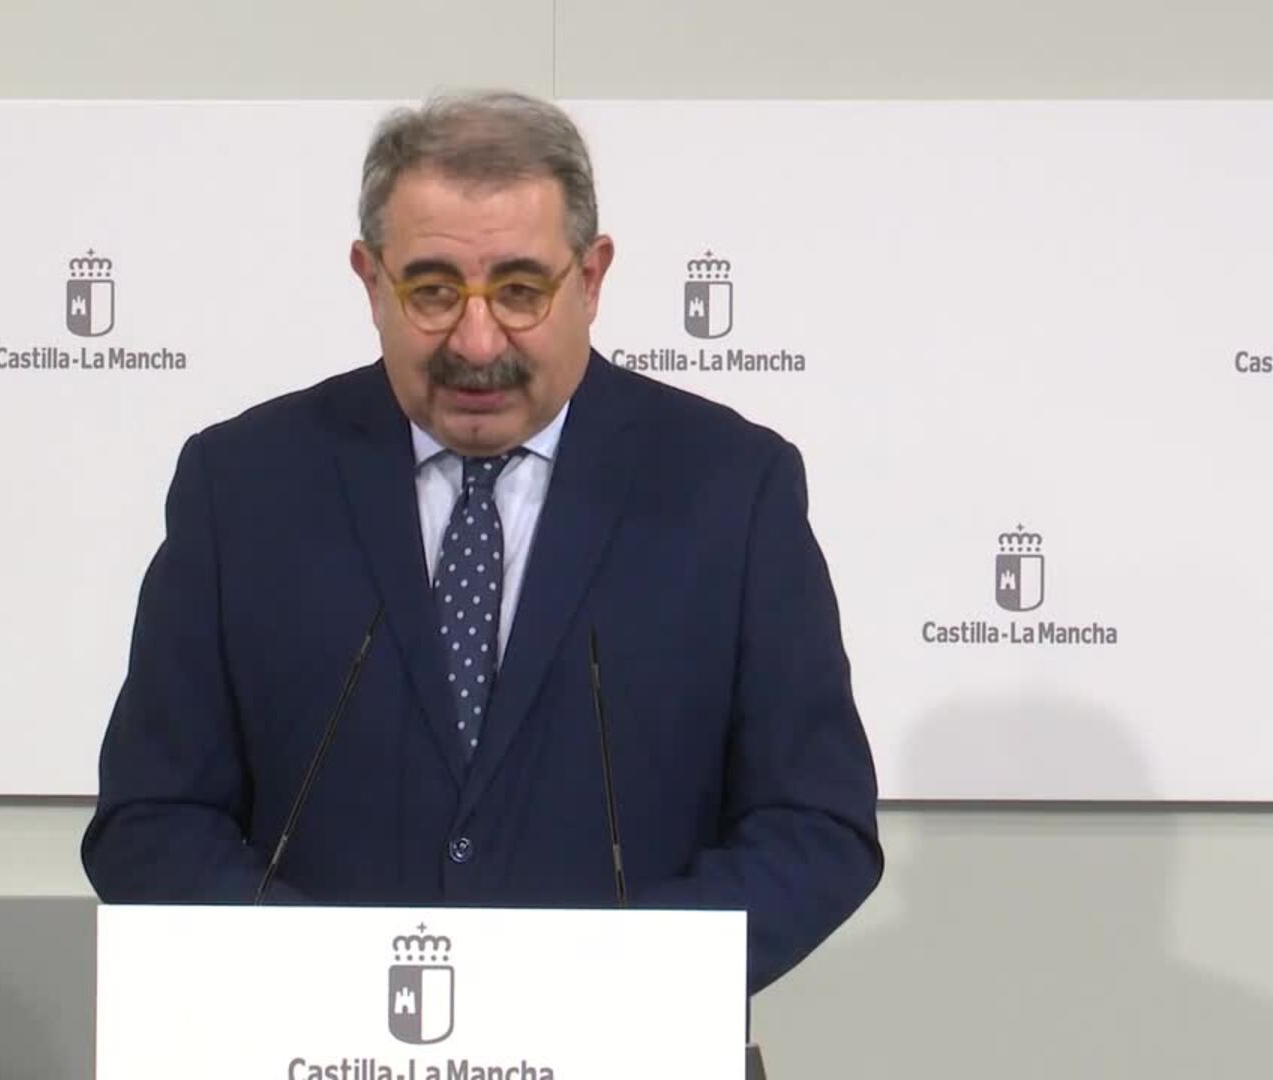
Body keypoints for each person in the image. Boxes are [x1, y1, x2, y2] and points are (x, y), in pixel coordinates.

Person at [80, 90, 881, 996]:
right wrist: (328, 981)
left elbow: (815, 827)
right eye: (430, 290)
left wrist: (604, 983)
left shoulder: (731, 489)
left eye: (520, 290)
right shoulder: (243, 485)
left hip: (614, 1034)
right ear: (369, 280)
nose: (475, 338)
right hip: (316, 1041)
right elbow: (152, 820)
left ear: (591, 279)